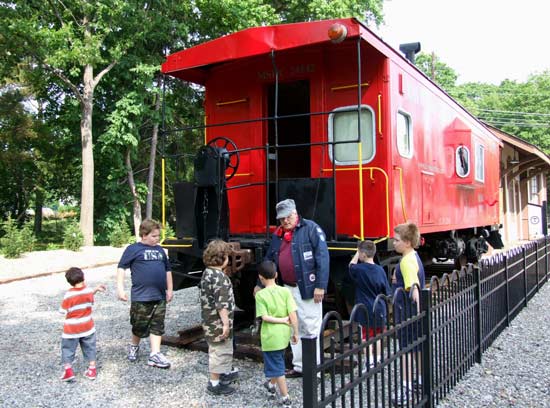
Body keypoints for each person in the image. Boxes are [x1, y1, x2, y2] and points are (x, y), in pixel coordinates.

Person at [259, 198, 329, 378]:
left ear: (295, 213)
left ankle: (314, 370)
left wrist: (320, 286)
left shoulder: (311, 229)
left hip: (307, 287)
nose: (285, 221)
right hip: (286, 288)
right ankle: (299, 367)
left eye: (288, 217)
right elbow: (270, 259)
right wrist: (260, 284)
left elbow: (322, 258)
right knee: (293, 327)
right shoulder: (278, 234)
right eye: (282, 218)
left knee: (311, 326)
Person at [117, 219, 173, 369]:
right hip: (141, 296)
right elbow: (121, 267)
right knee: (138, 325)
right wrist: (120, 288)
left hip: (159, 296)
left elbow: (168, 270)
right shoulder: (133, 249)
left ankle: (155, 354)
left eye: (158, 236)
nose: (157, 239)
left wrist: (170, 289)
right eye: (154, 236)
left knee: (157, 325)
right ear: (144, 235)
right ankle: (134, 345)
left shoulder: (160, 250)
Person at [391, 222, 426, 406]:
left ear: (406, 242)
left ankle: (405, 388)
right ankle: (420, 381)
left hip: (407, 312)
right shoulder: (414, 256)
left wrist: (418, 311)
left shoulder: (405, 262)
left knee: (405, 350)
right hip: (414, 313)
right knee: (418, 347)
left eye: (396, 240)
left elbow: (414, 288)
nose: (393, 242)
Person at [255, 260, 298, 408]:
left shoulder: (260, 295)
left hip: (270, 337)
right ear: (277, 274)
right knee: (277, 361)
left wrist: (280, 320)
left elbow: (264, 317)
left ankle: (285, 397)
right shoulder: (285, 291)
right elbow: (293, 314)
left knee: (278, 367)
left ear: (260, 277)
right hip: (284, 335)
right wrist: (296, 332)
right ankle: (271, 385)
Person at [200, 239, 239, 395]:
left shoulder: (207, 273)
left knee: (218, 349)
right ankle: (215, 383)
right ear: (222, 258)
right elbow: (221, 305)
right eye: (228, 257)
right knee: (220, 350)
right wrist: (225, 324)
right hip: (217, 322)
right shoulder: (220, 278)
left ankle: (223, 373)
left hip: (209, 320)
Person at [349, 240, 391, 369]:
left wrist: (357, 253)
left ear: (363, 254)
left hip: (365, 307)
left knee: (366, 336)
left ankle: (369, 361)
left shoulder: (359, 269)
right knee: (378, 335)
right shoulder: (380, 270)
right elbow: (387, 291)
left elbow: (351, 265)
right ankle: (377, 360)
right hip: (379, 307)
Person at [59, 267, 106, 381]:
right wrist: (96, 289)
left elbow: (62, 311)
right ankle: (92, 370)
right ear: (83, 277)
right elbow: (88, 294)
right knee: (90, 347)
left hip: (71, 329)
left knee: (68, 349)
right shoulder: (88, 291)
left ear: (69, 282)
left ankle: (68, 371)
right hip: (87, 327)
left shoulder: (68, 295)